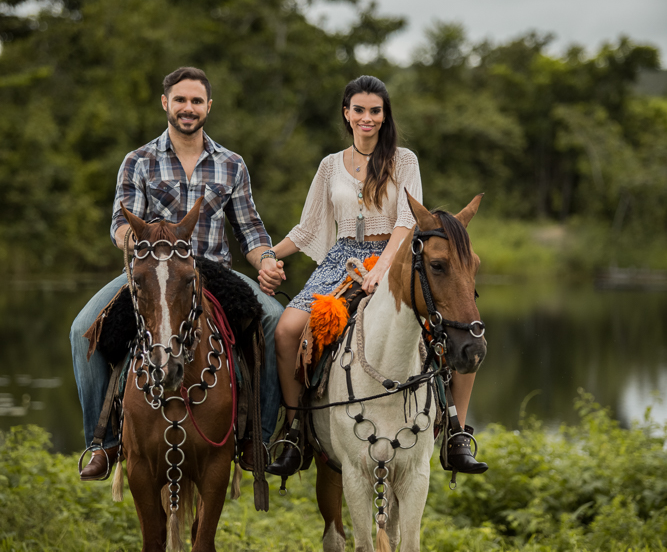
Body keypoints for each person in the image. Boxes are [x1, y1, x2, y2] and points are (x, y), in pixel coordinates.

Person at [265, 74, 485, 478]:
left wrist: (383, 266)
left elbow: (406, 220)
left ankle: (456, 432)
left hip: (397, 257)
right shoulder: (330, 165)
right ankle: (295, 430)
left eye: (375, 111)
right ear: (346, 114)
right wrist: (266, 255)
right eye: (359, 110)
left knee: (457, 328)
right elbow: (308, 228)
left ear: (385, 116)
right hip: (341, 259)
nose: (367, 118)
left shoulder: (405, 160)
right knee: (286, 330)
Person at [71, 66, 285, 479]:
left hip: (212, 269)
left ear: (209, 107)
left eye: (197, 101)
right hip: (152, 270)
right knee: (81, 330)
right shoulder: (139, 160)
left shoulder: (231, 164)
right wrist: (137, 243)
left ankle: (256, 438)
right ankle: (104, 443)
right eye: (181, 100)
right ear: (165, 103)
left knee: (275, 320)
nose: (189, 108)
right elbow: (119, 222)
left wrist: (267, 261)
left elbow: (250, 229)